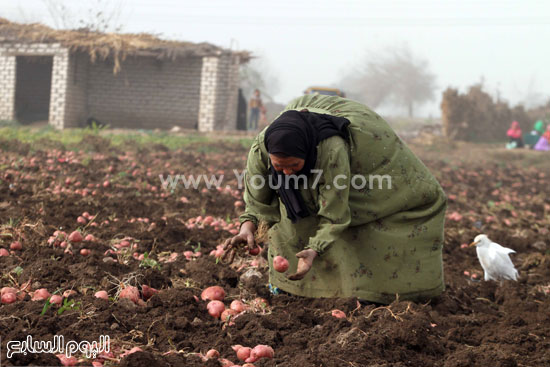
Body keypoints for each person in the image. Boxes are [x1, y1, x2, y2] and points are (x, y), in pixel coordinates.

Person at [224, 94, 447, 304]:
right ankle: (290, 289)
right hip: (305, 143)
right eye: (279, 166)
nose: (287, 172)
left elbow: (334, 215)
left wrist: (314, 249)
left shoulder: (330, 150)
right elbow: (256, 200)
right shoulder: (261, 150)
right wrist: (246, 229)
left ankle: (369, 293)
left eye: (294, 165)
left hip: (367, 164)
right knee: (290, 204)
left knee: (362, 219)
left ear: (306, 153)